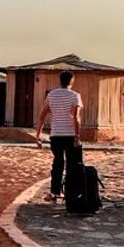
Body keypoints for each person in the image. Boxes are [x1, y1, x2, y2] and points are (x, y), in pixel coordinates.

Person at [34, 71, 83, 202]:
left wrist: (38, 136)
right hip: (70, 135)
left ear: (60, 81)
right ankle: (71, 193)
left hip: (56, 135)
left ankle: (54, 192)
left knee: (58, 163)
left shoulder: (51, 95)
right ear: (72, 81)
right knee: (72, 164)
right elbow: (76, 118)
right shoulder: (75, 96)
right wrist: (77, 137)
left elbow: (42, 117)